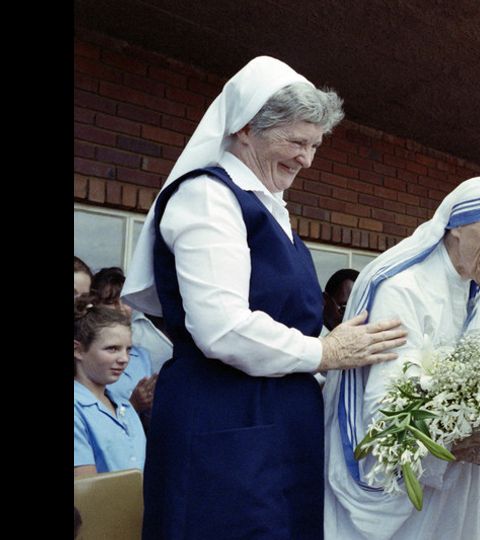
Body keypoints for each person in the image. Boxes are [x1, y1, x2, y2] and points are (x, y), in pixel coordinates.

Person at [121, 56, 407, 539]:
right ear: (248, 128)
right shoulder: (209, 197)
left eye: (315, 145)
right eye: (297, 142)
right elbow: (223, 327)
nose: (308, 159)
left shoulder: (271, 206)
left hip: (275, 425)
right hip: (224, 420)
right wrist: (326, 351)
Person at [323, 175, 480, 539]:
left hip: (466, 489)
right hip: (408, 492)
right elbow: (384, 410)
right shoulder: (403, 289)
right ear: (456, 225)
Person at [74, 297, 147, 476]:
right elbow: (85, 490)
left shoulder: (125, 406)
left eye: (128, 349)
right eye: (112, 349)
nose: (124, 359)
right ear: (78, 350)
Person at [90, 267, 157, 421]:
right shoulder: (86, 356)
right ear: (94, 305)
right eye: (111, 302)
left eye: (125, 301)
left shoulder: (141, 356)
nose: (120, 308)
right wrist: (133, 405)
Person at [322, 268, 359, 333]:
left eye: (358, 311)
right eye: (345, 308)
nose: (352, 318)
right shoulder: (307, 338)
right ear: (325, 300)